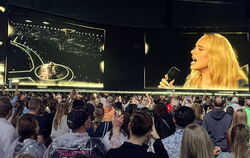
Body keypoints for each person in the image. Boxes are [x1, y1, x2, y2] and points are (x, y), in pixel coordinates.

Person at [159, 33, 248, 89]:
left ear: (216, 56)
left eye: (200, 49)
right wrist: (171, 94)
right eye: (195, 47)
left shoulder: (239, 84)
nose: (192, 51)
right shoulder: (191, 81)